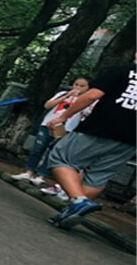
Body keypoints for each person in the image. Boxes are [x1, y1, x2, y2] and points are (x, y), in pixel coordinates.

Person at [44, 62, 137, 229]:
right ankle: (71, 213)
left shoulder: (121, 70)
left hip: (101, 127)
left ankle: (79, 202)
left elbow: (91, 96)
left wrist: (63, 117)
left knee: (61, 157)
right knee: (99, 175)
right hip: (131, 139)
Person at [10, 77, 91, 187]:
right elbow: (47, 105)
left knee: (53, 151)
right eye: (76, 84)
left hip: (66, 127)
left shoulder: (88, 100)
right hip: (49, 123)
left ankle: (41, 176)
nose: (78, 88)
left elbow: (87, 113)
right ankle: (29, 171)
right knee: (38, 148)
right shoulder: (63, 93)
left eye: (82, 86)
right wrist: (66, 96)